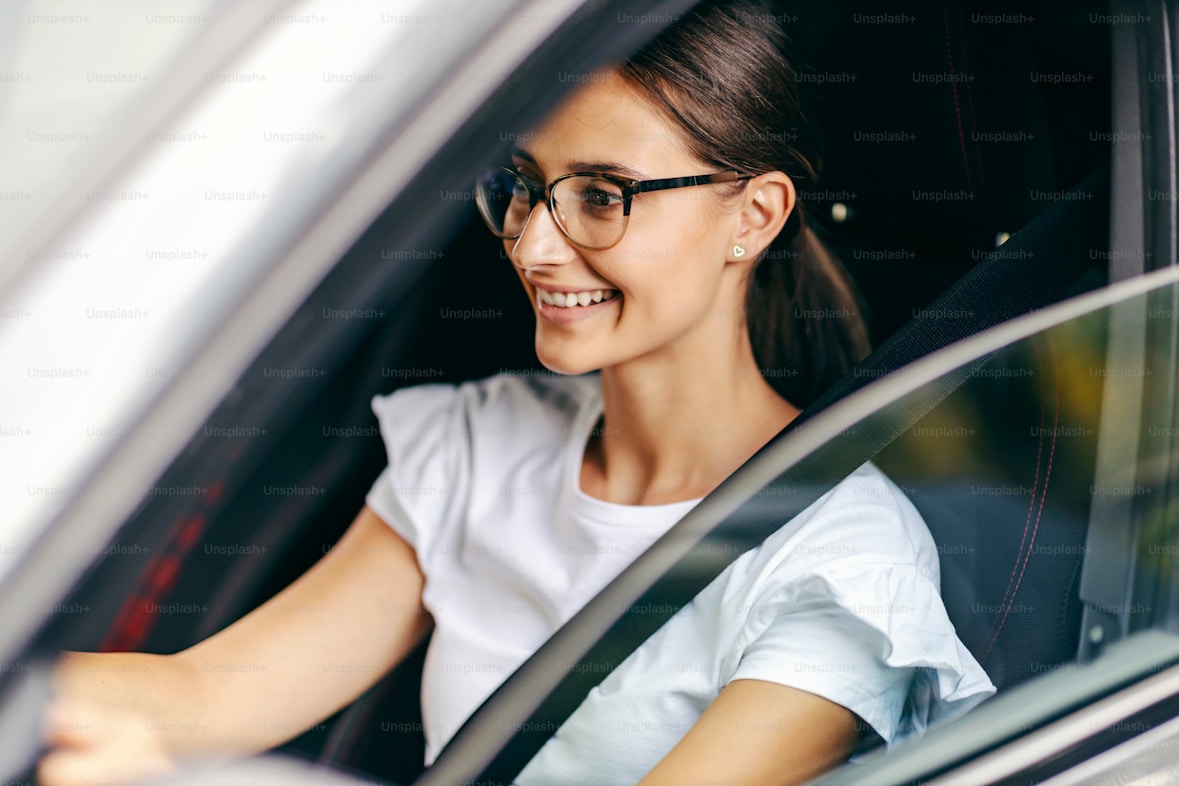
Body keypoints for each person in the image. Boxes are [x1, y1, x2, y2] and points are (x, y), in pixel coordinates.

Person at [37, 1, 996, 784]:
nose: (533, 245)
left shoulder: (840, 566)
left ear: (753, 215)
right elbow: (205, 697)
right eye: (525, 187)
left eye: (602, 195)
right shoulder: (481, 442)